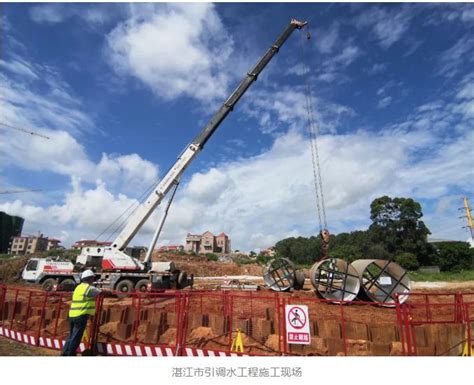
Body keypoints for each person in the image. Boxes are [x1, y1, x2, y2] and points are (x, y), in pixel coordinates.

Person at [61, 269, 102, 356]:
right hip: (80, 316)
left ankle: (64, 353)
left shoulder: (78, 287)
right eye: (93, 278)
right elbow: (99, 292)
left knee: (71, 336)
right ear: (90, 278)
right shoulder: (88, 288)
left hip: (72, 314)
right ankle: (70, 354)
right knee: (76, 337)